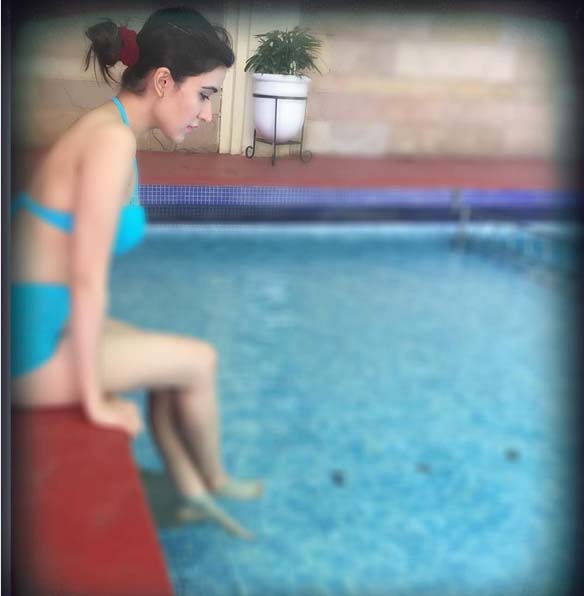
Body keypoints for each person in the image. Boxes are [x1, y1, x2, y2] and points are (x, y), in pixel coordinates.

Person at [11, 6, 262, 540]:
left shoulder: (111, 125)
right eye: (206, 95)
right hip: (24, 354)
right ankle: (214, 482)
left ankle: (195, 492)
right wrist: (94, 402)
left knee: (169, 357)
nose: (208, 114)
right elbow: (86, 280)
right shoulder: (112, 141)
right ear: (164, 81)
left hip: (36, 319)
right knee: (200, 361)